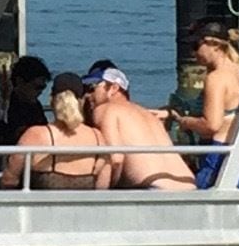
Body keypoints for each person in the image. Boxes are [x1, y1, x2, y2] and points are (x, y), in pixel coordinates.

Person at [82, 61, 196, 190]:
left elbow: (116, 159)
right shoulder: (148, 114)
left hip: (154, 189)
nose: (87, 95)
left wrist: (104, 192)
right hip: (189, 186)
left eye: (92, 88)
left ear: (113, 88)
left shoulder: (105, 109)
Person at [1, 75, 112, 190]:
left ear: (51, 100)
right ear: (82, 101)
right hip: (84, 207)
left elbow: (9, 179)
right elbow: (102, 185)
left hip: (39, 207)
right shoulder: (97, 138)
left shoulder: (35, 135)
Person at [175, 19, 239, 149]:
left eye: (196, 46)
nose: (193, 53)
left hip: (218, 152)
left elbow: (212, 125)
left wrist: (185, 122)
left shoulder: (216, 78)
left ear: (214, 45)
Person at [0, 55, 51, 151]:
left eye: (43, 87)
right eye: (37, 87)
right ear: (20, 82)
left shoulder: (35, 105)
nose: (40, 92)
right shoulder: (2, 106)